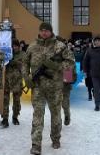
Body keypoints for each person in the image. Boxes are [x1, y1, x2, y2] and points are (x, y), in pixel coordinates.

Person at [22, 22, 75, 155]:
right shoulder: (32, 46)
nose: (44, 32)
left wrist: (56, 66)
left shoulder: (60, 46)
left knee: (55, 114)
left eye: (47, 30)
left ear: (51, 32)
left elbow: (70, 63)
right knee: (37, 115)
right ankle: (36, 144)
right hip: (38, 87)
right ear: (39, 32)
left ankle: (56, 138)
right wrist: (26, 77)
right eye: (42, 30)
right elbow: (24, 63)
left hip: (55, 87)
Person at [0, 39, 25, 127]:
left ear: (18, 46)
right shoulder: (7, 54)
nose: (14, 48)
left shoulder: (22, 54)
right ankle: (5, 118)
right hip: (6, 80)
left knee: (16, 101)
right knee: (5, 100)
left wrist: (11, 61)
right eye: (12, 46)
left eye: (15, 46)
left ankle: (15, 117)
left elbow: (22, 65)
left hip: (17, 81)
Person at [61, 53, 77, 125]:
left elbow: (73, 76)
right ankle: (57, 119)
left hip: (65, 86)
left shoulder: (70, 63)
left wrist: (70, 78)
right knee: (56, 104)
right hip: (55, 86)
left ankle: (67, 115)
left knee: (65, 103)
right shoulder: (54, 59)